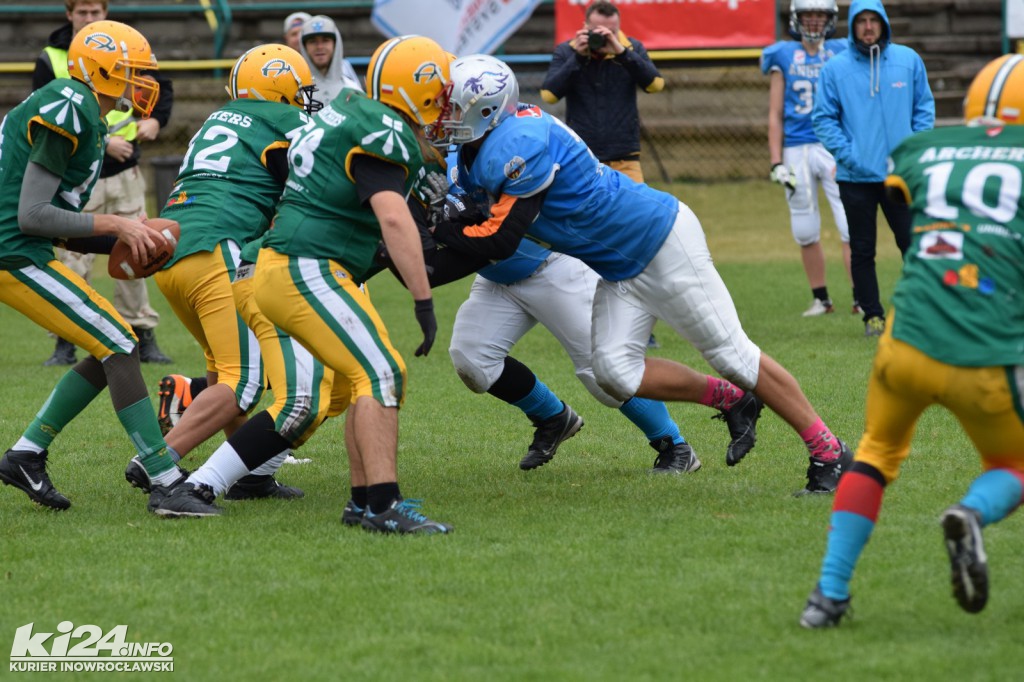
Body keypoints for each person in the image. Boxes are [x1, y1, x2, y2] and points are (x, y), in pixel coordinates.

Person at [429, 54, 854, 494]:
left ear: (487, 108)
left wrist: (435, 227)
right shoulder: (481, 147)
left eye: (454, 107)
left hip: (660, 240)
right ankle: (734, 399)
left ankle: (830, 451)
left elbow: (497, 239)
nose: (445, 117)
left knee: (734, 356)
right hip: (617, 267)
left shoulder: (518, 142)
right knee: (612, 373)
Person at [155, 36, 453, 534]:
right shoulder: (381, 130)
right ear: (417, 90)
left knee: (360, 380)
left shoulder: (353, 113)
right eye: (439, 93)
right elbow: (393, 222)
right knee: (372, 377)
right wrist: (423, 298)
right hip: (303, 265)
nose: (446, 105)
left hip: (279, 264)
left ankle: (364, 502)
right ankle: (200, 485)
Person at [799, 54, 1024, 628]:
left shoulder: (926, 149)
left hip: (908, 342)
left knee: (874, 453)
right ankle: (972, 513)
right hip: (985, 353)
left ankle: (827, 597)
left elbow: (904, 196)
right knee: (1014, 464)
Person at [122, 44, 324, 503]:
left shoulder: (220, 118)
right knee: (245, 380)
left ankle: (251, 477)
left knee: (225, 369)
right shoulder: (280, 120)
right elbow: (312, 181)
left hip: (172, 251)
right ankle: (157, 461)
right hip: (218, 249)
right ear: (278, 86)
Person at [0, 20, 185, 511]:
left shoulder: (86, 111)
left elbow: (52, 222)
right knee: (121, 343)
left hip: (19, 249)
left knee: (110, 342)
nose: (140, 83)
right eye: (130, 72)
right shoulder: (71, 104)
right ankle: (166, 479)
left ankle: (26, 453)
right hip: (11, 252)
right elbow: (32, 215)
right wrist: (119, 225)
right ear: (102, 71)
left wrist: (127, 236)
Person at [32, 0, 174, 366]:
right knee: (71, 257)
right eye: (83, 12)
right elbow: (49, 108)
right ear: (69, 14)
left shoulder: (125, 45)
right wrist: (101, 138)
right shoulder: (53, 57)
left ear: (105, 14)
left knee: (135, 247)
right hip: (77, 170)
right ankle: (65, 338)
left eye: (96, 12)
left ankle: (142, 332)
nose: (90, 18)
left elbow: (161, 87)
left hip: (125, 169)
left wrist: (156, 121)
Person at [541, 0, 664, 349]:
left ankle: (643, 323)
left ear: (617, 27)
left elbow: (655, 85)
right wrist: (579, 56)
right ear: (584, 26)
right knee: (581, 242)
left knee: (641, 237)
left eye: (606, 31)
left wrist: (621, 51)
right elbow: (550, 93)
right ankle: (586, 319)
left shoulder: (630, 49)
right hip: (582, 165)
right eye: (595, 31)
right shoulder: (567, 51)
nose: (600, 37)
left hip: (625, 158)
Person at [812, 0, 934, 336]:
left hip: (901, 177)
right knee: (862, 250)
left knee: (912, 244)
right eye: (861, 21)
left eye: (873, 20)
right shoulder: (835, 69)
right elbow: (823, 119)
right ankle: (873, 316)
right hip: (855, 178)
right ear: (852, 26)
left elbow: (923, 109)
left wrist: (912, 151)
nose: (868, 26)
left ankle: (919, 312)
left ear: (883, 23)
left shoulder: (909, 61)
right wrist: (849, 155)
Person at [761, 0, 854, 317]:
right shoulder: (782, 54)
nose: (814, 22)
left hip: (832, 144)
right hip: (796, 148)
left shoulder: (842, 50)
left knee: (850, 223)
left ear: (830, 19)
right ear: (797, 19)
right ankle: (822, 299)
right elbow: (774, 114)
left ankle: (861, 297)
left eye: (820, 15)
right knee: (804, 226)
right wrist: (776, 161)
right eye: (809, 15)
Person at [297, 15, 363, 102]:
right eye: (312, 41)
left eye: (325, 40)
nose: (319, 47)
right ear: (304, 47)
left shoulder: (353, 89)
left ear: (335, 44)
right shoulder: (296, 92)